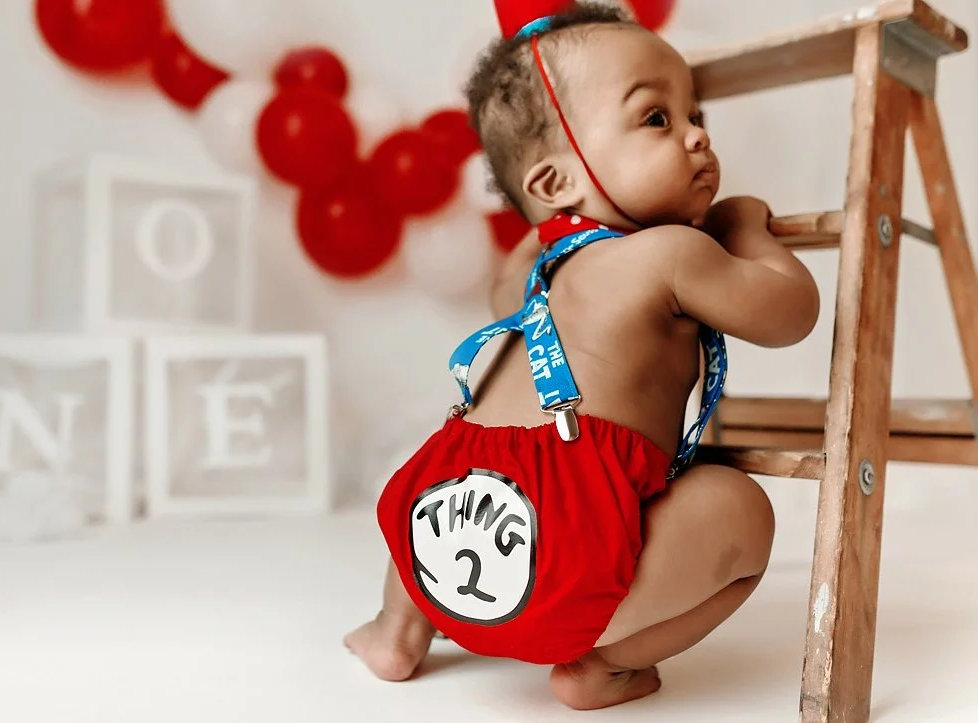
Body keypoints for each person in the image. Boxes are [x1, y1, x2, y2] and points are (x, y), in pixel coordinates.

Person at [345, 2, 820, 710]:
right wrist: (745, 231)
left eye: (698, 117)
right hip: (564, 563)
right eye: (657, 119)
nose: (696, 137)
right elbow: (790, 314)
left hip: (432, 534)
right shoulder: (673, 254)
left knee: (450, 459)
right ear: (553, 183)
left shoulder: (528, 273)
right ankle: (598, 664)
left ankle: (397, 629)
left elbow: (512, 280)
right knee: (742, 511)